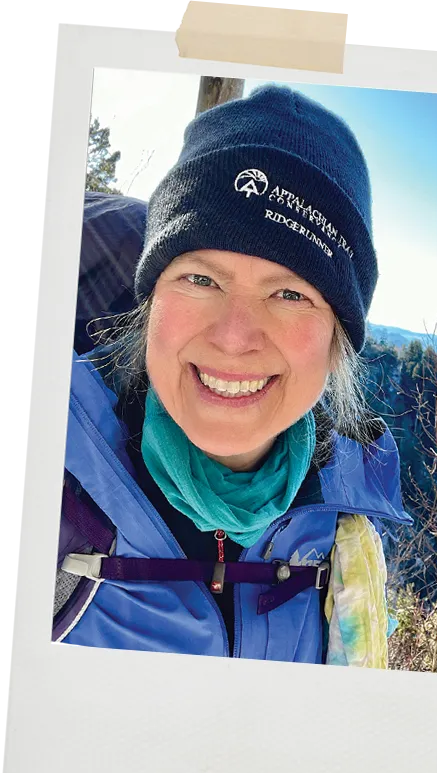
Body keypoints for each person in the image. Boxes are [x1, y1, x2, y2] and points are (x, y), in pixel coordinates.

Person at [53, 84, 412, 667]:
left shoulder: (347, 536)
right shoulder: (38, 462)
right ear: (151, 304)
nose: (233, 337)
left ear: (336, 342)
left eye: (291, 293)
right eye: (201, 280)